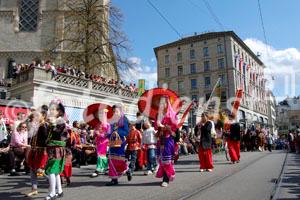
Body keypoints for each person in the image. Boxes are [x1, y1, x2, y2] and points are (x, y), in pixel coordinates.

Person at [44, 101, 67, 200]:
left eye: (54, 109)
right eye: (51, 109)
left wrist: (52, 124)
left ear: (59, 111)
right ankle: (60, 190)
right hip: (52, 148)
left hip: (57, 149)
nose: (51, 111)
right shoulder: (55, 121)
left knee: (51, 171)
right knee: (55, 171)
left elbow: (58, 133)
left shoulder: (60, 121)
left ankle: (53, 192)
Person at [155, 96, 178, 187]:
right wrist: (158, 127)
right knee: (161, 160)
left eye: (163, 103)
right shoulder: (158, 115)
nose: (161, 105)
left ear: (167, 103)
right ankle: (166, 175)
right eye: (160, 103)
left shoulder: (172, 115)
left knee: (167, 160)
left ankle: (166, 179)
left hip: (168, 140)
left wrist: (168, 128)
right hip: (160, 140)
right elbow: (156, 128)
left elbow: (174, 131)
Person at [26, 111, 48, 197]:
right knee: (32, 170)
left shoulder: (44, 126)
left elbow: (46, 140)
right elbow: (30, 138)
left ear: (43, 117)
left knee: (39, 171)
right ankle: (34, 189)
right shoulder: (36, 126)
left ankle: (54, 182)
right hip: (34, 150)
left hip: (41, 151)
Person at [106, 104, 129, 186]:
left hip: (120, 143)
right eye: (114, 111)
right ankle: (114, 179)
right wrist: (107, 134)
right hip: (112, 143)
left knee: (119, 161)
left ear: (120, 112)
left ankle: (126, 169)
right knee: (111, 160)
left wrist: (117, 131)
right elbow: (109, 132)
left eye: (116, 111)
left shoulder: (124, 120)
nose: (115, 113)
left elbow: (126, 132)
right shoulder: (111, 121)